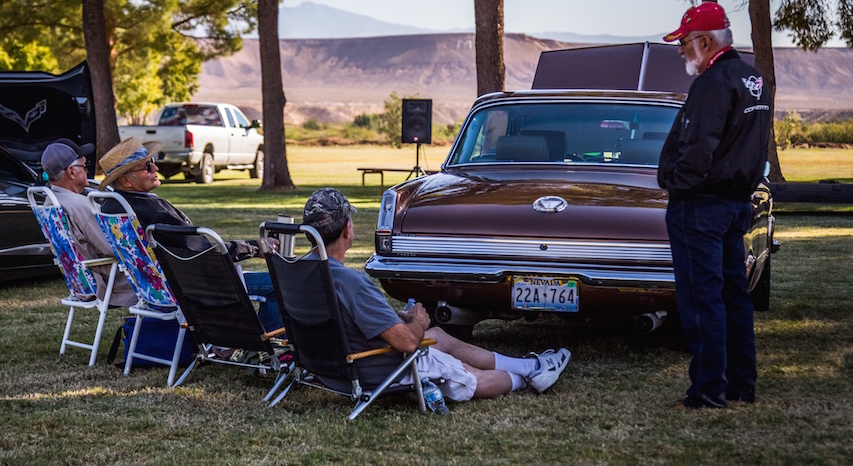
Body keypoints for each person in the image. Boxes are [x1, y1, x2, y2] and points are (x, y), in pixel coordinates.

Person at [301, 187, 571, 403]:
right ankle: (529, 377)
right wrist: (419, 320)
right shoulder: (350, 281)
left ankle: (528, 366)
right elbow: (407, 343)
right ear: (348, 230)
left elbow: (342, 317)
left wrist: (395, 319)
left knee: (440, 337)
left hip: (330, 368)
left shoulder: (299, 272)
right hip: (375, 369)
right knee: (467, 374)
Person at [658, 2, 771, 409]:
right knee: (732, 296)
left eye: (685, 42)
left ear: (706, 41)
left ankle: (708, 390)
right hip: (735, 203)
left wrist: (676, 185)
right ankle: (741, 383)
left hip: (701, 207)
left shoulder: (711, 83)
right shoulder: (753, 79)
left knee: (702, 298)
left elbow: (697, 149)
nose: (681, 51)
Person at [97, 137, 282, 331]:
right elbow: (205, 252)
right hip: (193, 287)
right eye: (147, 167)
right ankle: (258, 344)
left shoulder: (112, 207)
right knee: (280, 285)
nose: (156, 169)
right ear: (126, 180)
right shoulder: (152, 211)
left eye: (153, 162)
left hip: (153, 292)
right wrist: (254, 247)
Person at [40, 138, 138, 307]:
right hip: (111, 282)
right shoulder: (80, 205)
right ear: (71, 172)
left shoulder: (49, 204)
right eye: (84, 167)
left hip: (81, 284)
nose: (87, 171)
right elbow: (114, 247)